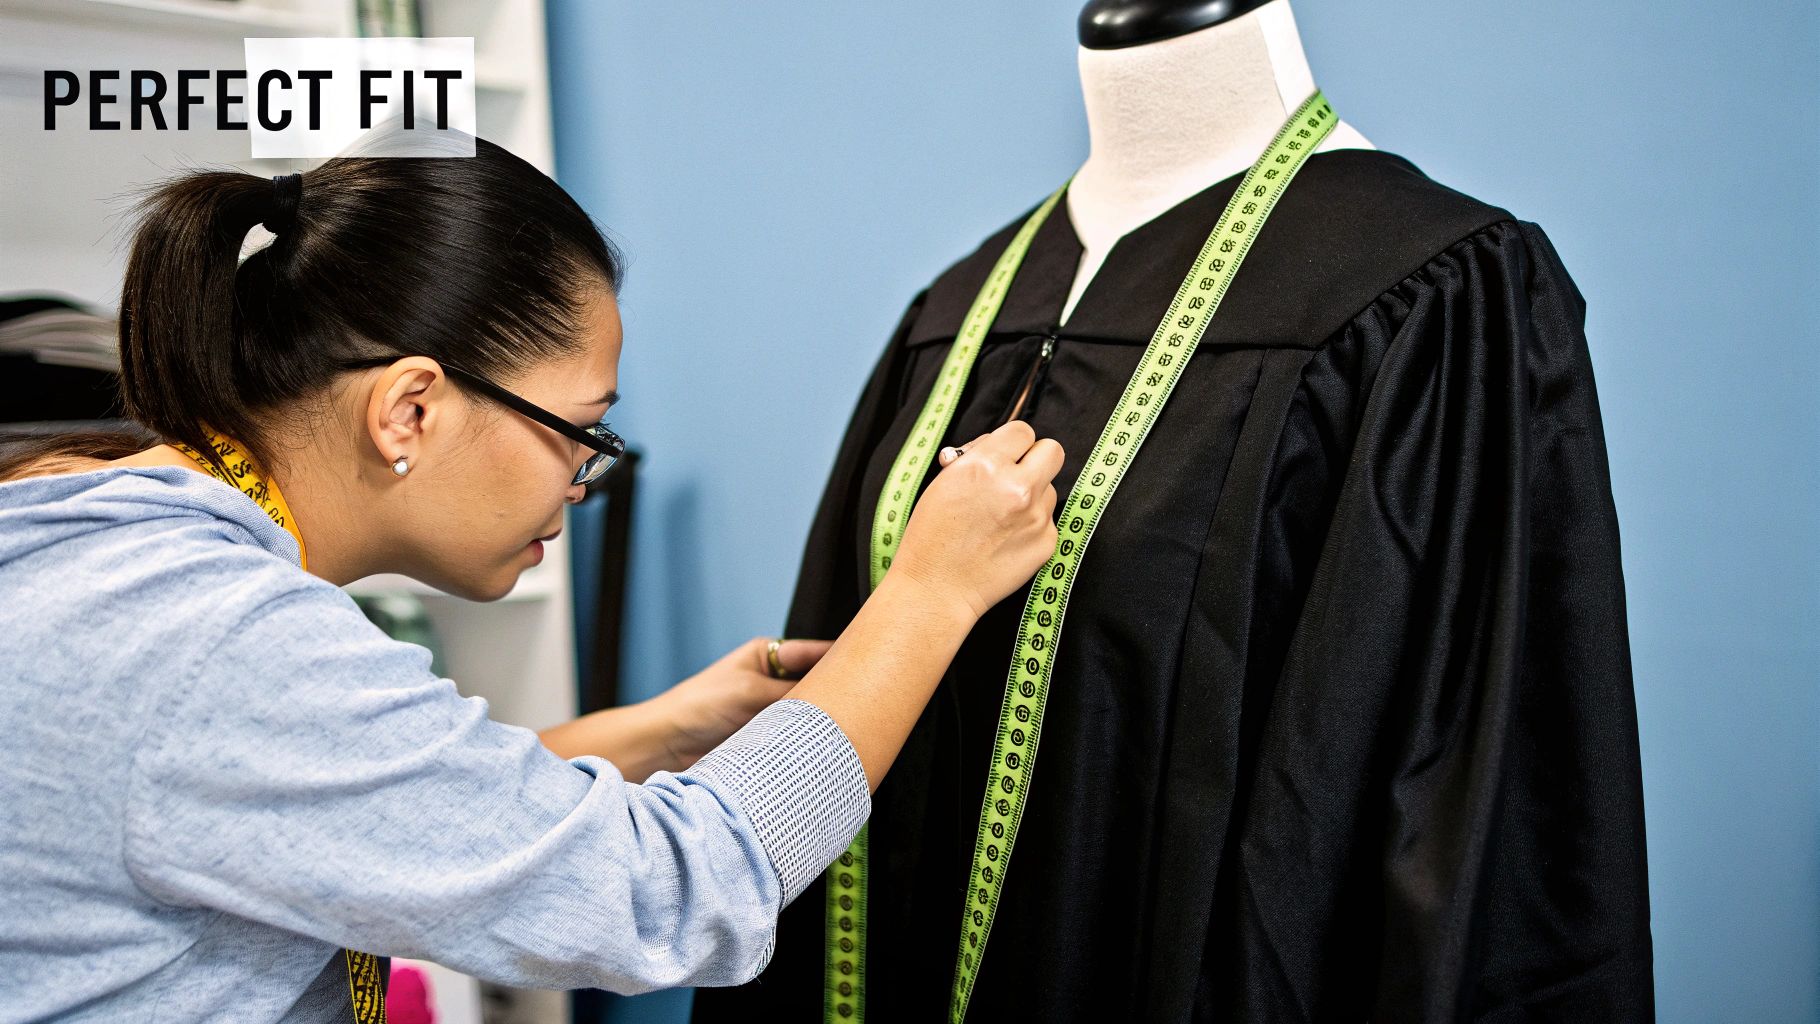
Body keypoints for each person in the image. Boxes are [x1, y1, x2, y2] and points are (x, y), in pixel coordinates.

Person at [0, 139, 1063, 1022]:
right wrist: (930, 592)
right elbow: (672, 896)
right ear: (409, 408)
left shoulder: (93, 527)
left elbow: (336, 799)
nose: (583, 480)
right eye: (579, 430)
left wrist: (660, 727)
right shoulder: (206, 637)